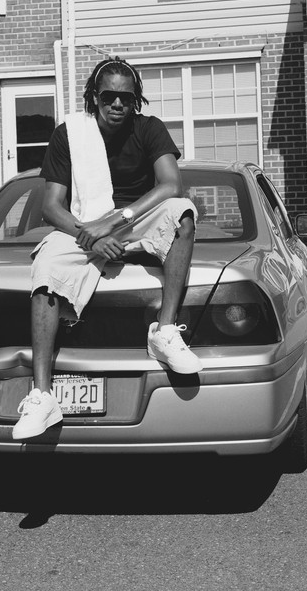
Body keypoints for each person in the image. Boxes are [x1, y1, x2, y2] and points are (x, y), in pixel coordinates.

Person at [12, 57, 202, 440]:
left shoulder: (149, 129)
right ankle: (42, 396)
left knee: (182, 212)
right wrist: (93, 235)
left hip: (136, 220)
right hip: (83, 226)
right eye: (108, 97)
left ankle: (164, 332)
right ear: (93, 98)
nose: (117, 104)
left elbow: (171, 185)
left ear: (136, 100)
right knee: (46, 265)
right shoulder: (70, 135)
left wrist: (115, 220)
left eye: (126, 98)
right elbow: (52, 207)